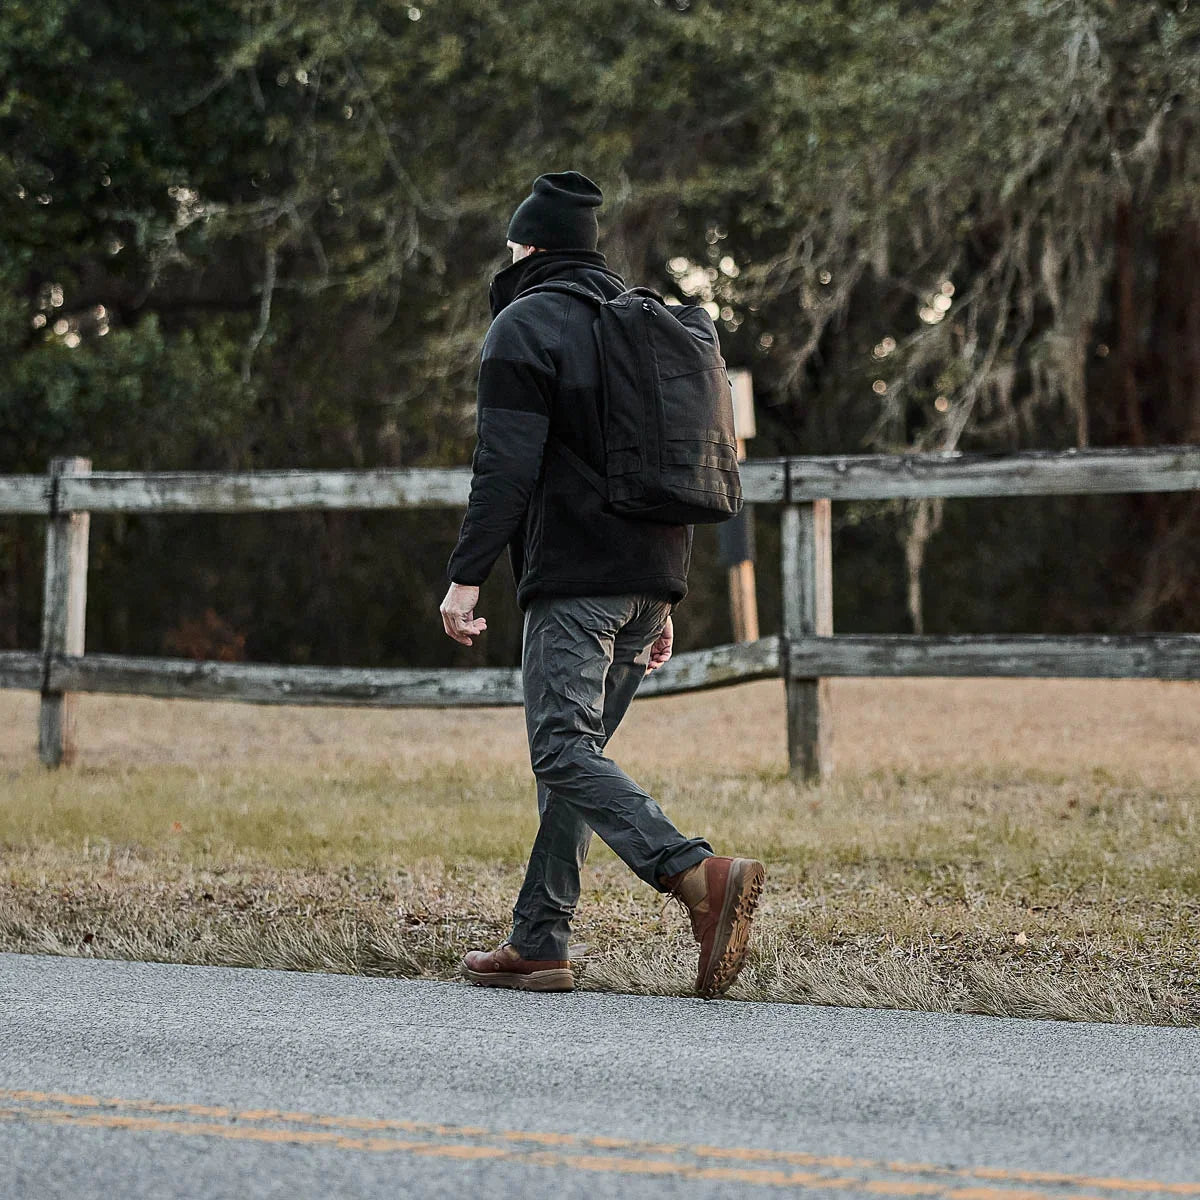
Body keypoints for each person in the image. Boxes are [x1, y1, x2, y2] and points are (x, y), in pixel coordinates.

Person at [439, 170, 765, 999]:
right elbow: (683, 461)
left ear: (528, 248)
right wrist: (664, 597)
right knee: (577, 760)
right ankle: (540, 941)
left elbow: (503, 467)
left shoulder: (527, 323)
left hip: (579, 577)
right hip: (649, 577)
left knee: (560, 748)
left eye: (510, 246)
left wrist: (466, 577)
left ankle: (696, 873)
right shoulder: (644, 326)